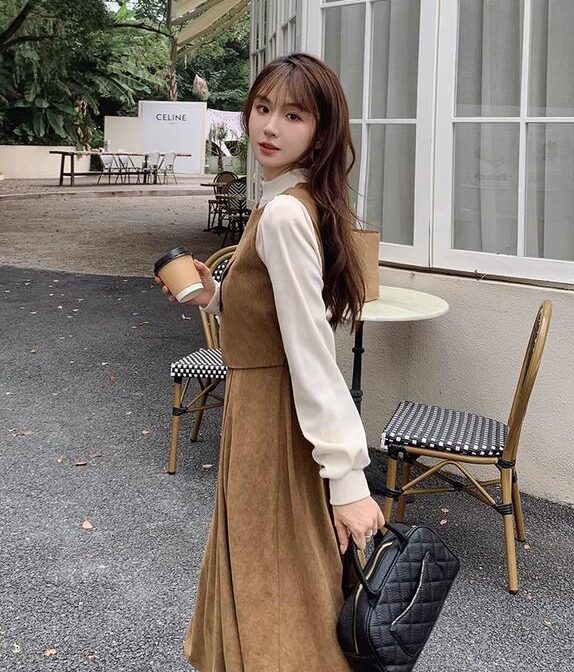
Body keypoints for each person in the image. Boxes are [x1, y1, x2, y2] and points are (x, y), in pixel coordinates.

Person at [155, 52, 385, 672]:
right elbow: (274, 322)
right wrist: (216, 296)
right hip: (262, 409)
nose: (270, 126)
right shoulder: (287, 200)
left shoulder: (284, 213)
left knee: (276, 576)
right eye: (262, 108)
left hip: (274, 418)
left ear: (321, 130)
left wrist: (349, 479)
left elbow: (311, 351)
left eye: (293, 115)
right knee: (280, 570)